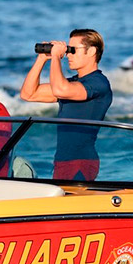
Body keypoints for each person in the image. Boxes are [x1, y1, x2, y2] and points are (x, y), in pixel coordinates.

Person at [20, 28, 112, 181]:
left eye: (73, 50)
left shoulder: (99, 83)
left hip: (81, 161)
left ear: (91, 52)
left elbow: (60, 89)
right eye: (68, 50)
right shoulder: (73, 83)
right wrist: (42, 59)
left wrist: (56, 57)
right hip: (63, 160)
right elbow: (28, 94)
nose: (68, 54)